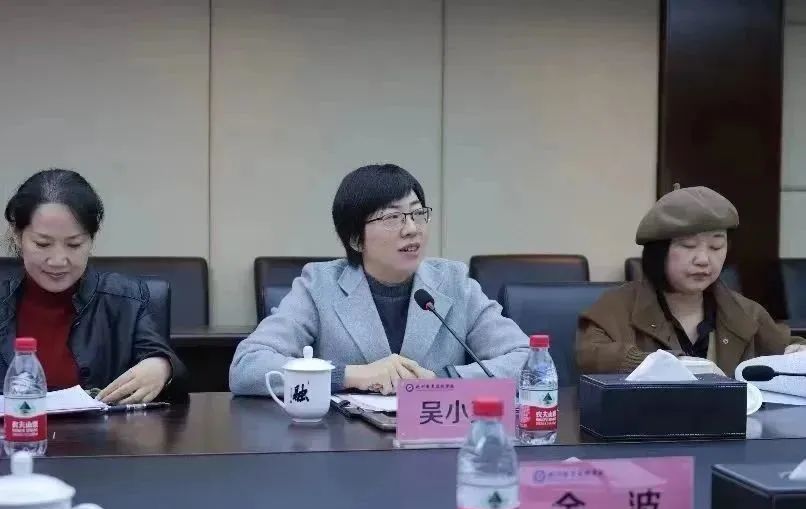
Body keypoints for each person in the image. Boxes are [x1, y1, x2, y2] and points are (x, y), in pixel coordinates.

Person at [230, 164, 529, 396]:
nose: (412, 229)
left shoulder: (454, 283)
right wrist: (349, 375)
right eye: (392, 218)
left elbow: (529, 362)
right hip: (345, 445)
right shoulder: (319, 285)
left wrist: (443, 380)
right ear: (356, 239)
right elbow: (247, 366)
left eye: (417, 214)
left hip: (436, 443)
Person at [577, 185, 806, 376]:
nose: (704, 260)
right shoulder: (616, 307)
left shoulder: (745, 312)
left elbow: (788, 345)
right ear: (659, 252)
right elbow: (589, 355)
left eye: (716, 246)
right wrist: (656, 364)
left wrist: (795, 354)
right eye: (688, 246)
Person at [0, 169, 186, 402]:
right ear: (18, 236)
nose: (58, 260)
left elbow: (165, 363)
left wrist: (162, 367)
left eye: (74, 245)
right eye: (43, 244)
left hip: (102, 427)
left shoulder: (125, 300)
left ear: (91, 240)